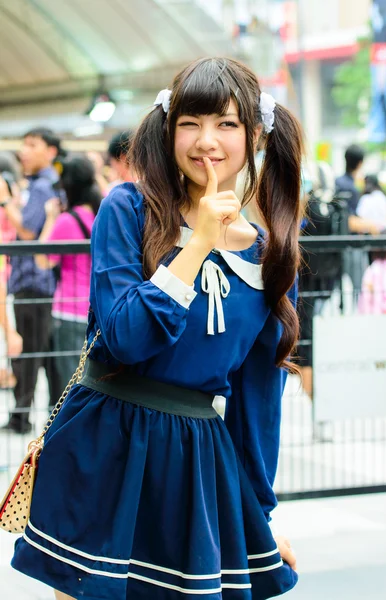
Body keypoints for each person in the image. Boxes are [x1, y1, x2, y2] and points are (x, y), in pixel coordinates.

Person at [11, 57, 302, 600]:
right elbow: (126, 337)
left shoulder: (270, 251)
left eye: (226, 124)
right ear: (168, 130)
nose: (205, 141)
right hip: (104, 440)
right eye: (189, 123)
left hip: (195, 459)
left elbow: (258, 398)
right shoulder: (128, 209)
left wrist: (257, 514)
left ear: (256, 135)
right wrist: (198, 244)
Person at [0, 127, 63, 433]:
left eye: (32, 144)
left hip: (33, 283)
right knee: (44, 354)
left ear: (50, 151)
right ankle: (46, 417)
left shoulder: (41, 187)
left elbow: (27, 232)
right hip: (39, 283)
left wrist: (4, 202)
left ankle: (20, 419)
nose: (24, 151)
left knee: (29, 353)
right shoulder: (45, 184)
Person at [35, 156, 100, 391]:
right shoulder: (102, 214)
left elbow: (43, 260)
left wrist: (51, 217)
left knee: (70, 382)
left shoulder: (66, 221)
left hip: (69, 311)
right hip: (97, 309)